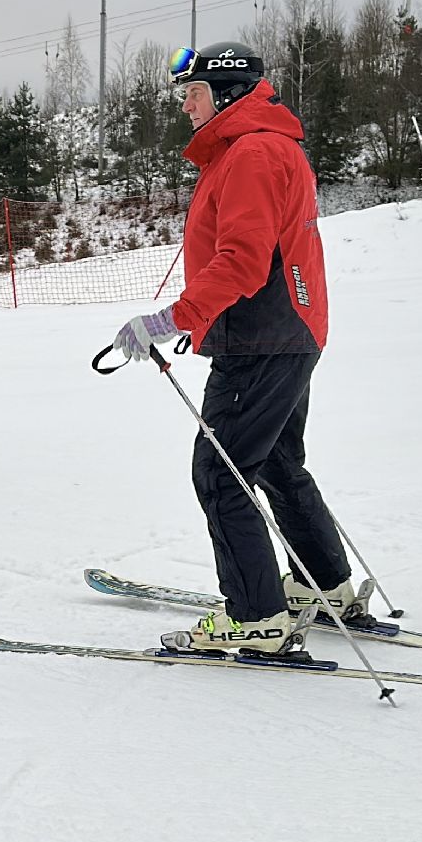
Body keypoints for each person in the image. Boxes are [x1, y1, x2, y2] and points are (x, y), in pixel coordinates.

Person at [111, 41, 367, 656]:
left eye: (194, 93)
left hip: (260, 336)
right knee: (276, 463)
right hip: (286, 331)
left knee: (221, 475)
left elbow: (244, 261)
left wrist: (172, 318)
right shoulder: (260, 147)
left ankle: (256, 618)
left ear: (227, 94)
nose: (186, 106)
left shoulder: (252, 152)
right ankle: (324, 586)